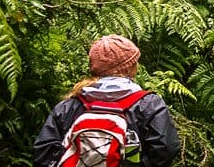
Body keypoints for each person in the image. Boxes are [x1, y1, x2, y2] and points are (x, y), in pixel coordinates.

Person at [33, 35, 180, 167]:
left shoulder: (69, 106)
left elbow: (44, 151)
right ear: (128, 68)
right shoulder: (149, 104)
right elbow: (165, 149)